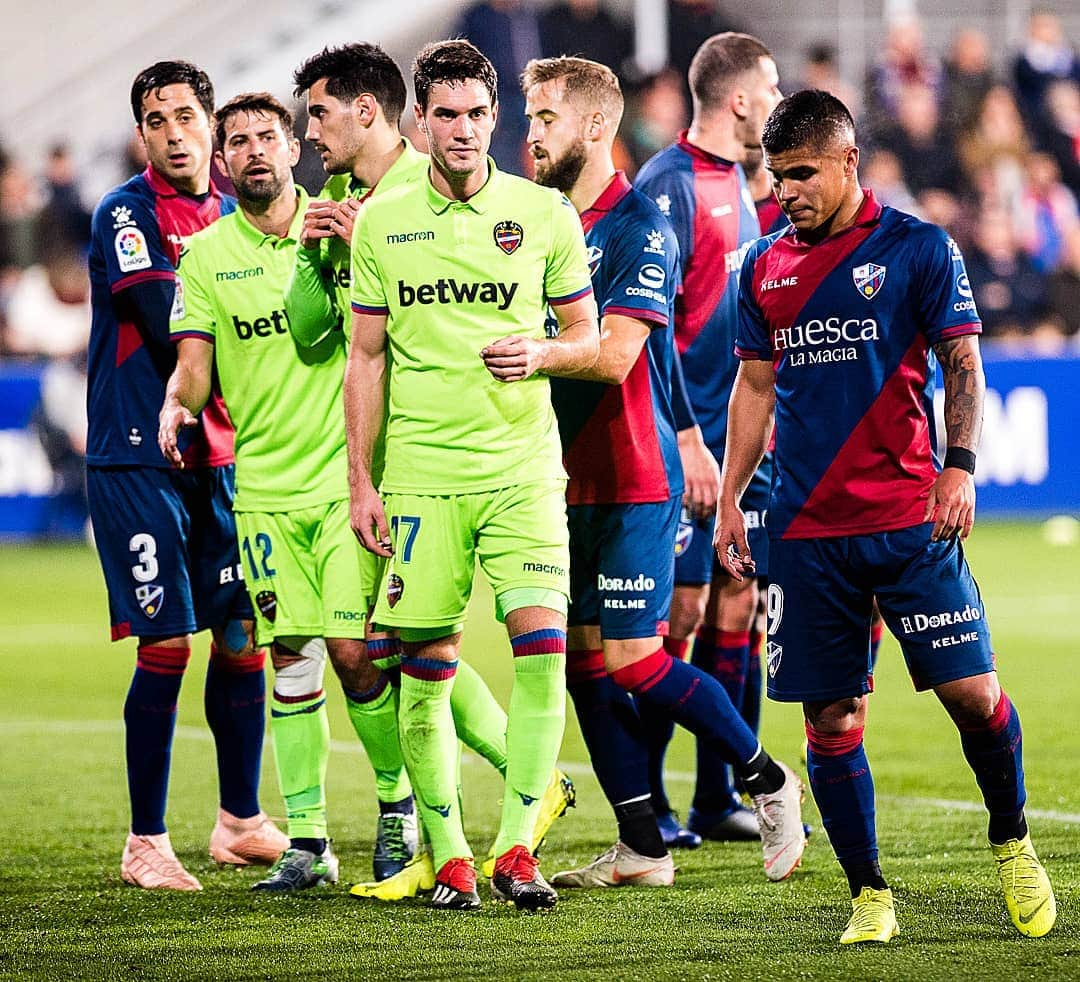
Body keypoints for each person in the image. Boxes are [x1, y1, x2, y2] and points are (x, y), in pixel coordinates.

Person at [715, 88, 1057, 944]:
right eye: (776, 175)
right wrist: (730, 498)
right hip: (804, 531)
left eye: (802, 174)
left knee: (974, 696)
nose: (787, 191)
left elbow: (964, 364)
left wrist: (961, 468)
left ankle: (1012, 839)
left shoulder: (917, 248)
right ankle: (870, 892)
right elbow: (754, 389)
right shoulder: (761, 266)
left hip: (911, 522)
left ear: (847, 161)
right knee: (829, 721)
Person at [285, 42, 574, 901]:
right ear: (418, 120)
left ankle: (518, 846)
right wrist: (361, 485)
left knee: (542, 654)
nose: (460, 129)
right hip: (421, 479)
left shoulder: (545, 214)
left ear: (497, 117)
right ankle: (449, 856)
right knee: (421, 668)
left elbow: (593, 341)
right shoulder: (379, 221)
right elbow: (362, 357)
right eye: (443, 114)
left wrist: (547, 352)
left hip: (523, 469)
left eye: (476, 113)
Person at [520, 54, 807, 891]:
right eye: (530, 118)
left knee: (637, 656)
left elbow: (615, 359)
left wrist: (530, 353)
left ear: (596, 125)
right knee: (578, 665)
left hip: (635, 475)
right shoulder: (532, 224)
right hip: (553, 480)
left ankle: (765, 778)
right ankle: (642, 845)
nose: (530, 134)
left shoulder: (640, 223)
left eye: (546, 118)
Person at [86, 61, 285, 891]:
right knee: (167, 641)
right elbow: (175, 324)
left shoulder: (237, 215)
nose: (174, 133)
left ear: (212, 123)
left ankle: (239, 820)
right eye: (156, 120)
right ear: (143, 134)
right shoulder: (125, 215)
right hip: (139, 454)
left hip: (226, 459)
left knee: (242, 639)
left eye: (186, 117)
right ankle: (145, 841)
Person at [634, 32, 783, 845]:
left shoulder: (739, 181)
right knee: (679, 614)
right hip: (690, 442)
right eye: (770, 88)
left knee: (742, 604)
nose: (777, 100)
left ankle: (712, 796)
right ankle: (648, 800)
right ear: (737, 101)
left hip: (744, 441)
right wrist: (688, 439)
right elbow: (653, 332)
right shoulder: (670, 186)